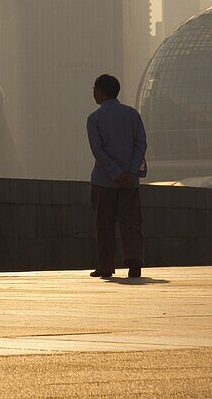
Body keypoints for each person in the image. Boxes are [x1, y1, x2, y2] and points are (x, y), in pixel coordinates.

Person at [86, 73, 147, 279]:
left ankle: (105, 265)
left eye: (94, 89)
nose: (93, 93)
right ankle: (134, 262)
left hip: (104, 181)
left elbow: (98, 151)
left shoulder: (94, 119)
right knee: (131, 223)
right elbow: (141, 145)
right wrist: (130, 172)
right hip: (131, 182)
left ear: (101, 92)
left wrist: (116, 173)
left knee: (104, 225)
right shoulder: (132, 115)